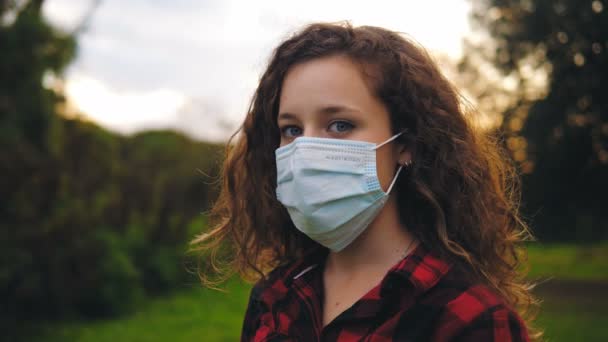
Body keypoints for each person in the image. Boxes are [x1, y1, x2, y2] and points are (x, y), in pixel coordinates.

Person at [192, 22, 539, 341]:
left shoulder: (467, 318)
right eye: (292, 130)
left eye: (340, 125)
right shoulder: (274, 298)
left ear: (406, 143)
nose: (306, 149)